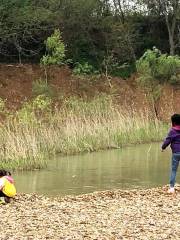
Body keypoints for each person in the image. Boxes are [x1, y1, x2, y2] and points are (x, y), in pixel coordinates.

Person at [161, 114, 180, 194]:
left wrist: (163, 147)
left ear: (173, 122)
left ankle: (172, 188)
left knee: (174, 170)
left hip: (176, 153)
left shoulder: (172, 131)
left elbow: (167, 141)